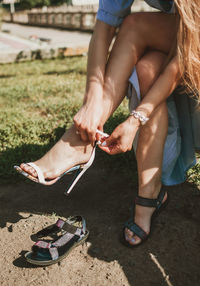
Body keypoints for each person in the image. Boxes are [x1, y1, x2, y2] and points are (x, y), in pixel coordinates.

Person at [16, 0, 200, 247]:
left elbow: (183, 56)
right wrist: (91, 102)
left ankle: (77, 143)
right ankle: (151, 193)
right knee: (146, 66)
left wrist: (136, 119)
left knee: (137, 25)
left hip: (194, 35)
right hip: (184, 32)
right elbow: (103, 28)